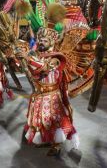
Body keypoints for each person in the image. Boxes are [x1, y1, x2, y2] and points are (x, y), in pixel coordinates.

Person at [17, 27, 79, 156]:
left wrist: (27, 59)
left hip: (52, 96)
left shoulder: (56, 58)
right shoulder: (37, 56)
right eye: (39, 40)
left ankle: (56, 145)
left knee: (55, 122)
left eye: (44, 40)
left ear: (51, 42)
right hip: (39, 94)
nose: (40, 42)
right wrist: (20, 59)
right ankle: (47, 140)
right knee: (41, 121)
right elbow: (32, 71)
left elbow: (44, 68)